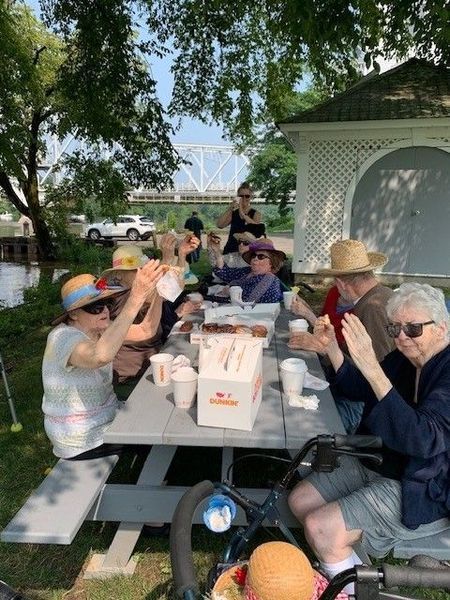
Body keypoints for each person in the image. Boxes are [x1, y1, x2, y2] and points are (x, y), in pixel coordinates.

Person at [288, 283, 450, 593]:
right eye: (396, 328)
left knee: (320, 527)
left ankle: (352, 587)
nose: (402, 337)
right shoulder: (406, 358)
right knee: (300, 500)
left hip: (426, 484)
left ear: (441, 327)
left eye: (413, 328)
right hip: (383, 460)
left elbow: (424, 440)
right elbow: (360, 387)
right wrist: (332, 348)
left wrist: (373, 368)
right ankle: (350, 567)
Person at [42, 263, 165, 459]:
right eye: (96, 307)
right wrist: (136, 297)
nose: (105, 312)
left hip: (105, 418)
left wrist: (158, 291)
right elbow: (99, 356)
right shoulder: (63, 338)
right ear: (73, 314)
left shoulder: (99, 331)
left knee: (156, 413)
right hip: (81, 438)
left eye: (107, 304)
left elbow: (146, 330)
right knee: (155, 431)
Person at [289, 239, 395, 433]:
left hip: (361, 405)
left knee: (300, 426)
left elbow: (377, 371)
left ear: (340, 283)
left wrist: (324, 348)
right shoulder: (380, 295)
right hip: (355, 392)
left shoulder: (372, 307)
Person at [101, 241, 200, 383]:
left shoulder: (133, 291)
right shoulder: (123, 297)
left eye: (143, 268)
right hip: (132, 377)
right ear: (119, 274)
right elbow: (169, 290)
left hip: (152, 366)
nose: (141, 273)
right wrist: (169, 259)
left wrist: (182, 255)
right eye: (135, 270)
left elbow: (174, 288)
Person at [209, 239, 285, 303]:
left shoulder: (269, 280)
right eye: (253, 256)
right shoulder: (247, 271)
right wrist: (217, 252)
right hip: (231, 308)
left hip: (252, 316)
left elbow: (250, 300)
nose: (255, 258)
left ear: (271, 262)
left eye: (261, 256)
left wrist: (230, 291)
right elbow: (226, 273)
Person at [216, 182, 262, 255]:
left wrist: (240, 209)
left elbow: (255, 231)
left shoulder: (256, 214)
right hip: (230, 250)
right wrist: (231, 208)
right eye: (241, 196)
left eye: (247, 196)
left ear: (251, 197)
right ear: (238, 197)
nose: (244, 198)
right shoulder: (234, 213)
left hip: (247, 253)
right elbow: (220, 225)